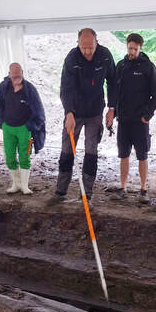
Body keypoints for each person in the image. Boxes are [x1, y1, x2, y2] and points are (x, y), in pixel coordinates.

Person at [49, 28, 117, 205]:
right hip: (75, 111)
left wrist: (112, 108)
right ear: (78, 44)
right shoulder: (72, 58)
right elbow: (65, 87)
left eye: (90, 47)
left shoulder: (105, 55)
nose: (87, 51)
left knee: (91, 152)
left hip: (95, 111)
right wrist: (69, 112)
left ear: (97, 42)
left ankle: (86, 194)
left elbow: (113, 82)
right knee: (66, 151)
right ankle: (60, 192)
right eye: (83, 47)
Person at [111, 33, 156, 204]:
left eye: (135, 49)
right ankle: (122, 187)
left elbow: (155, 95)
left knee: (142, 155)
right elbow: (115, 92)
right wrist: (114, 112)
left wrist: (147, 115)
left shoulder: (148, 67)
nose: (131, 51)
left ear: (140, 48)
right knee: (123, 154)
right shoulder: (121, 66)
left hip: (140, 121)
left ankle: (143, 189)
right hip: (123, 120)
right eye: (129, 48)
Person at [0, 62, 46, 195]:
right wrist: (1, 122)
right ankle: (15, 184)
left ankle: (24, 186)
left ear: (22, 73)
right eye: (14, 75)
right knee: (10, 156)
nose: (17, 78)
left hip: (24, 128)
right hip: (8, 128)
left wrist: (31, 126)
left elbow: (39, 111)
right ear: (9, 74)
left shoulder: (30, 89)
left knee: (25, 156)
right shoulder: (3, 87)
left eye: (19, 75)